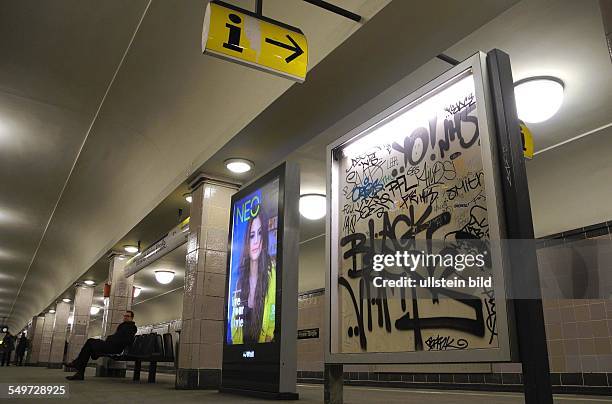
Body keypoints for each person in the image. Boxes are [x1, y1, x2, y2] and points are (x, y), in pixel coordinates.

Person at [230, 209, 276, 344]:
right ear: (247, 241)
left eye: (260, 233)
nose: (256, 241)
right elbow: (235, 324)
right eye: (252, 235)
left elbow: (272, 319)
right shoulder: (240, 281)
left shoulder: (272, 276)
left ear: (264, 239)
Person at [65, 310, 137, 381]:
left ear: (131, 318)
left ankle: (78, 365)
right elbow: (117, 336)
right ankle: (79, 372)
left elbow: (127, 340)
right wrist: (111, 338)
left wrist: (111, 338)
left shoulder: (132, 327)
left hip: (115, 348)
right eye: (124, 316)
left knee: (90, 342)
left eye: (127, 316)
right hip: (110, 345)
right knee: (89, 346)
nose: (125, 317)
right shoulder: (123, 326)